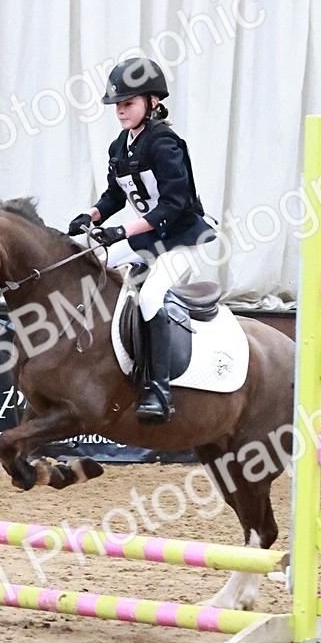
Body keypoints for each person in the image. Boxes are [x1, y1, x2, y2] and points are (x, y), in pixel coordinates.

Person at [68, 57, 215, 424]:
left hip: (182, 240)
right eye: (117, 105)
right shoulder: (120, 146)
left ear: (151, 103)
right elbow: (114, 197)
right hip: (149, 239)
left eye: (128, 103)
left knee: (150, 296)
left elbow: (174, 204)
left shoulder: (164, 143)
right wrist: (92, 215)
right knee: (94, 270)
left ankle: (159, 390)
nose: (120, 111)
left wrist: (125, 231)